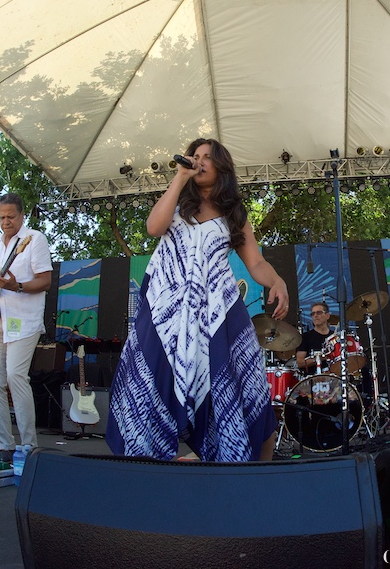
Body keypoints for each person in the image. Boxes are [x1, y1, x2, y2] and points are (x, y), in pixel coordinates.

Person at [105, 139, 289, 462]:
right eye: (196, 156)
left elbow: (256, 263)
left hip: (215, 314)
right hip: (166, 315)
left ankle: (248, 479)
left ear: (221, 167)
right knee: (150, 390)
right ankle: (146, 476)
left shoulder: (234, 214)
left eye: (208, 157)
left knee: (247, 390)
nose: (200, 161)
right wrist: (179, 177)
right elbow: (153, 227)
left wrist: (277, 280)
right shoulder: (177, 203)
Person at [0, 193, 52, 462]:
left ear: (21, 215)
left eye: (11, 217)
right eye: (2, 217)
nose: (5, 221)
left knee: (15, 377)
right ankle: (5, 445)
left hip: (24, 321)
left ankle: (29, 444)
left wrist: (17, 286)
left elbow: (45, 281)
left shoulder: (34, 240)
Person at [296, 301, 333, 374]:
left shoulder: (334, 336)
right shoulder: (305, 337)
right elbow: (300, 362)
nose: (315, 315)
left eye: (319, 313)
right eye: (313, 314)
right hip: (313, 379)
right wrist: (321, 357)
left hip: (335, 377)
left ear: (327, 316)